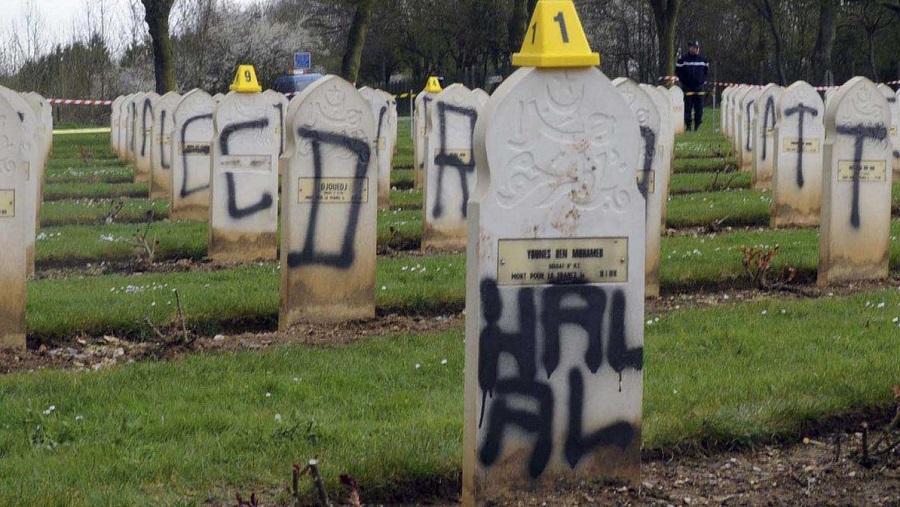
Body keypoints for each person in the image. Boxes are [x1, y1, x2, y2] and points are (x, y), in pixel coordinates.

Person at [675, 41, 709, 131]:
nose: (695, 49)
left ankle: (697, 125)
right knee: (687, 108)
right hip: (687, 87)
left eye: (696, 48)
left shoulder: (703, 59)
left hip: (699, 87)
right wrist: (684, 81)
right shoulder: (683, 59)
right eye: (693, 47)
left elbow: (706, 72)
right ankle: (688, 125)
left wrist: (701, 81)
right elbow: (678, 71)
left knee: (699, 108)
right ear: (690, 48)